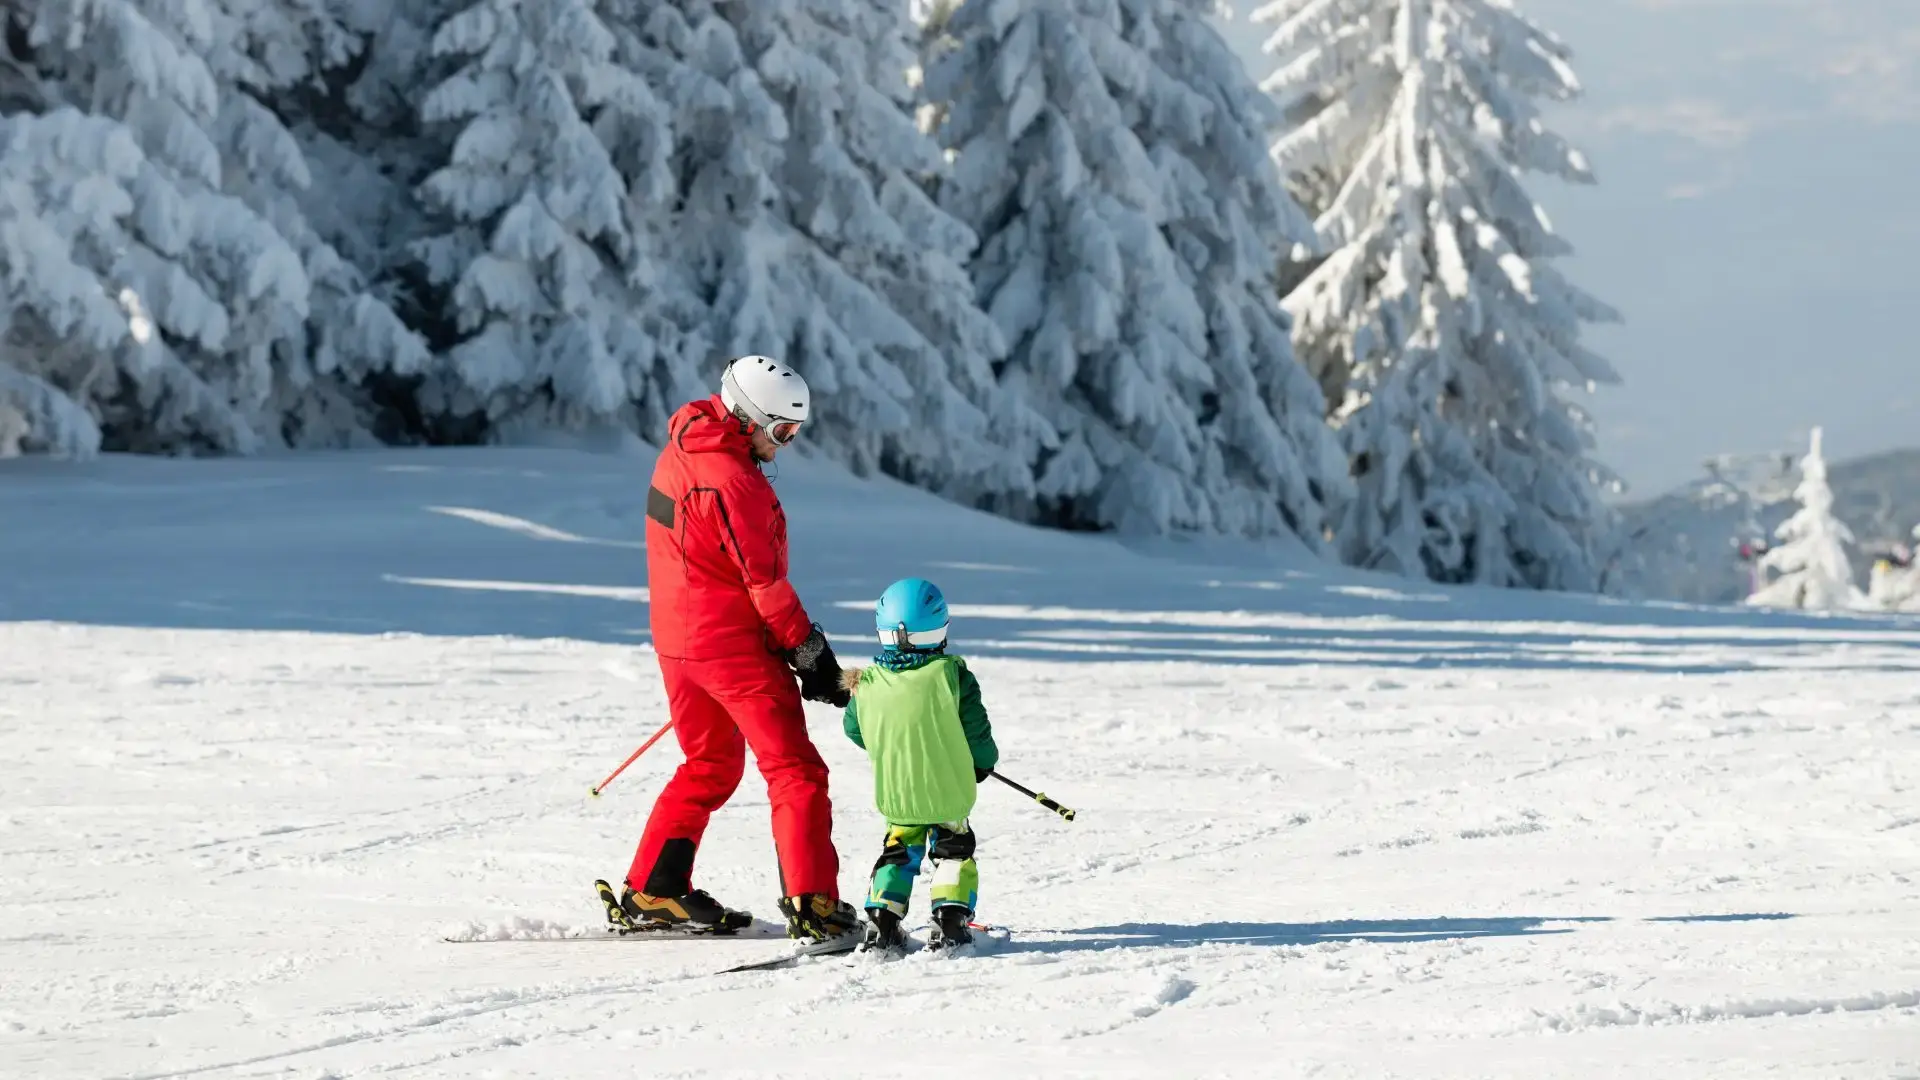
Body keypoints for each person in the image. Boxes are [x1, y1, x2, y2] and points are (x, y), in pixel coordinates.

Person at [607, 355, 860, 944]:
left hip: (680, 643)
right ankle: (814, 904)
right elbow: (764, 585)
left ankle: (655, 890)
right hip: (732, 649)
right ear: (747, 419)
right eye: (780, 432)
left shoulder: (682, 448)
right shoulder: (735, 482)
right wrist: (809, 653)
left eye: (794, 433)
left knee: (710, 765)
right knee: (794, 770)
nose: (786, 445)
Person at [837, 577, 998, 952]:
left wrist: (893, 746)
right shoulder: (952, 675)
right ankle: (951, 918)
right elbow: (976, 732)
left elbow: (855, 730)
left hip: (899, 792)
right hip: (948, 792)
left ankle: (883, 918)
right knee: (953, 851)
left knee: (898, 851)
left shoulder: (867, 683)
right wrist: (983, 763)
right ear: (941, 628)